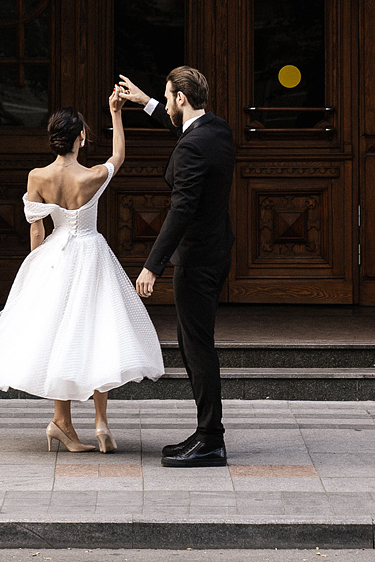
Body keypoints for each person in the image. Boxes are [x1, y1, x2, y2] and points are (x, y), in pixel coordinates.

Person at [0, 98, 164, 452]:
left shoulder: (37, 177)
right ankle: (101, 423)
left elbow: (36, 232)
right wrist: (116, 113)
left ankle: (63, 423)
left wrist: (37, 271)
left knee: (62, 335)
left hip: (54, 258)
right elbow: (118, 157)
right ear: (80, 140)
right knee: (99, 332)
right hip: (91, 255)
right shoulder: (91, 177)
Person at [115, 67, 234, 468]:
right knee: (195, 344)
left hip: (196, 260)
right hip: (217, 252)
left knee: (196, 348)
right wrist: (144, 100)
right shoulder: (216, 130)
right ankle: (205, 433)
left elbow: (181, 209)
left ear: (181, 99)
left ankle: (211, 439)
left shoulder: (192, 147)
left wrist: (152, 266)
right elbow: (186, 138)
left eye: (167, 98)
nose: (166, 104)